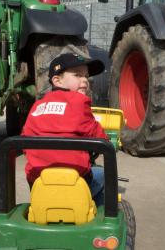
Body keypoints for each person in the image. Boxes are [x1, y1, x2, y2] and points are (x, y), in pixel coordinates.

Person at [22, 53, 107, 206]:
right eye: (77, 75)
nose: (85, 81)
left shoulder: (37, 106)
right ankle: (97, 213)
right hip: (74, 181)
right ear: (57, 80)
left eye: (86, 76)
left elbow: (25, 137)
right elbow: (100, 137)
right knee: (103, 173)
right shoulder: (80, 102)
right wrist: (109, 142)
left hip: (37, 181)